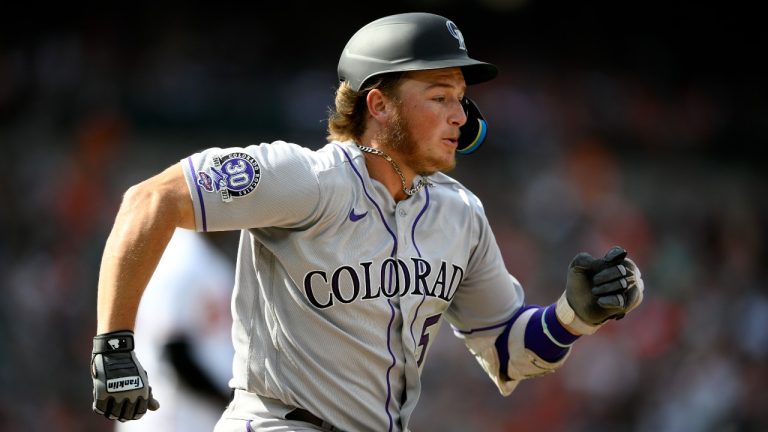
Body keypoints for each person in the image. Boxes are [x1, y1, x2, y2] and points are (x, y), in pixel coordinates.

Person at [90, 12, 644, 432]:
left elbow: (506, 351)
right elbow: (149, 199)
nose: (461, 115)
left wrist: (576, 315)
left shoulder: (460, 214)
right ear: (379, 105)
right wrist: (114, 343)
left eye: (462, 98)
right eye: (439, 95)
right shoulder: (304, 181)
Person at [114, 228, 234, 432]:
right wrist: (229, 400)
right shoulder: (177, 257)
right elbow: (173, 353)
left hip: (198, 418)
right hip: (170, 419)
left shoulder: (206, 256)